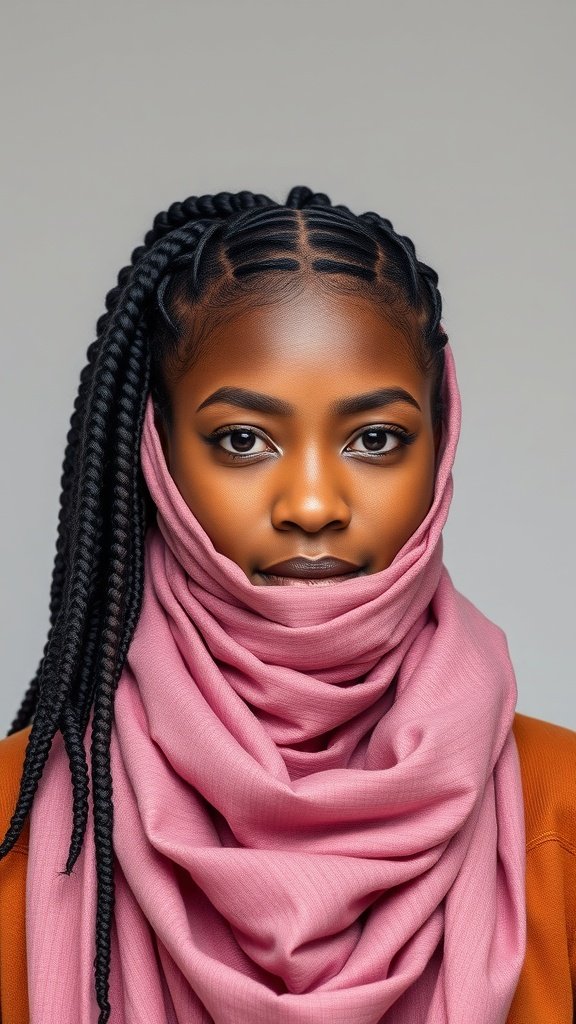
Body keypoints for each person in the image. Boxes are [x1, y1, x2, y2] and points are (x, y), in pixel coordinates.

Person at [1, 185, 575, 1024]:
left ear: (441, 444)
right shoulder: (13, 823)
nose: (312, 505)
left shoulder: (561, 809)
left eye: (374, 439)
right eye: (244, 441)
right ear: (156, 453)